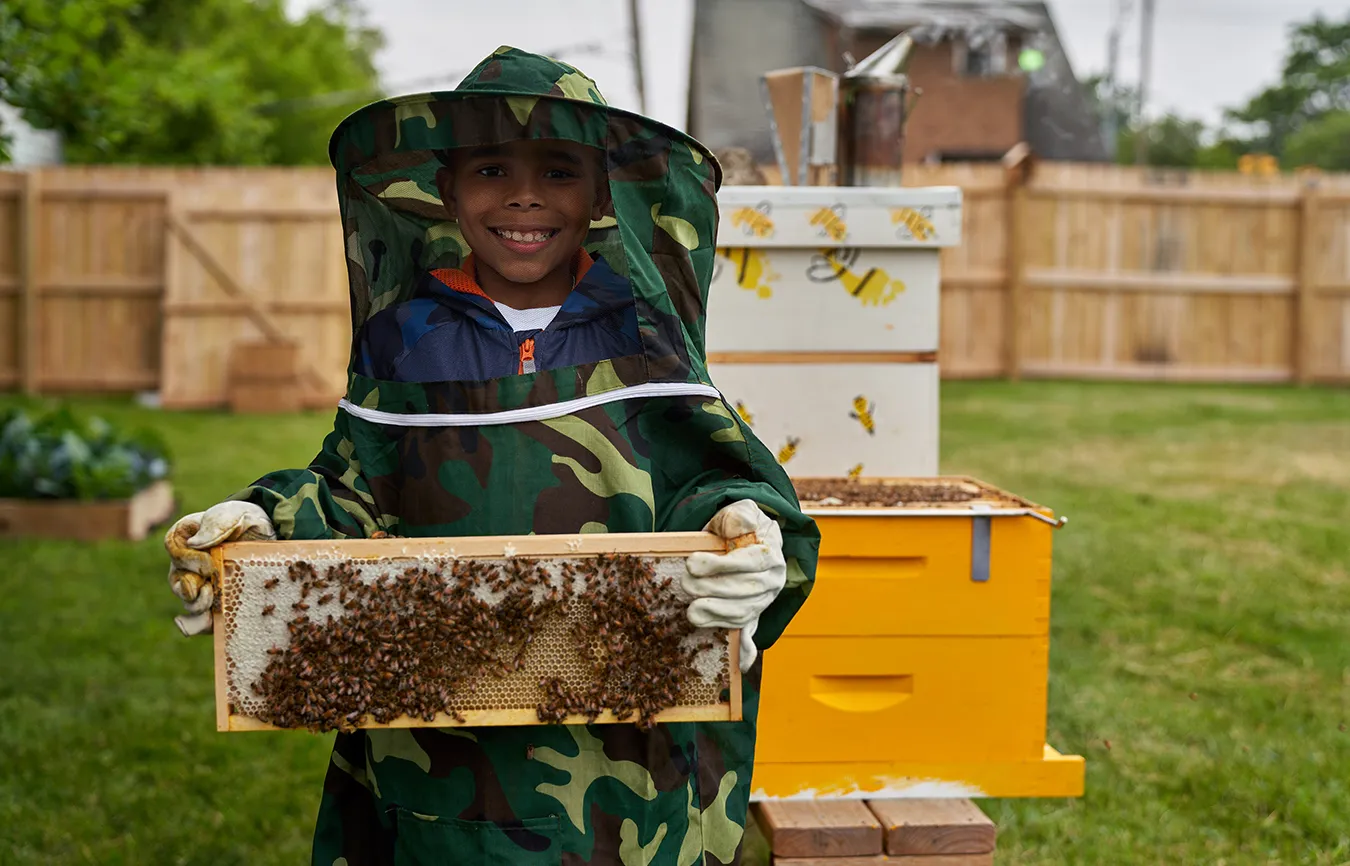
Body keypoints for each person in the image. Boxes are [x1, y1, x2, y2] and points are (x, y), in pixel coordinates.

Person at [164, 46, 819, 866]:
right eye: (490, 168)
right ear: (447, 189)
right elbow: (357, 492)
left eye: (557, 170)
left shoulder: (644, 340)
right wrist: (261, 521)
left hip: (625, 780)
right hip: (437, 769)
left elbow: (707, 481)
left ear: (601, 190)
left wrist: (743, 534)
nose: (523, 195)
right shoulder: (404, 341)